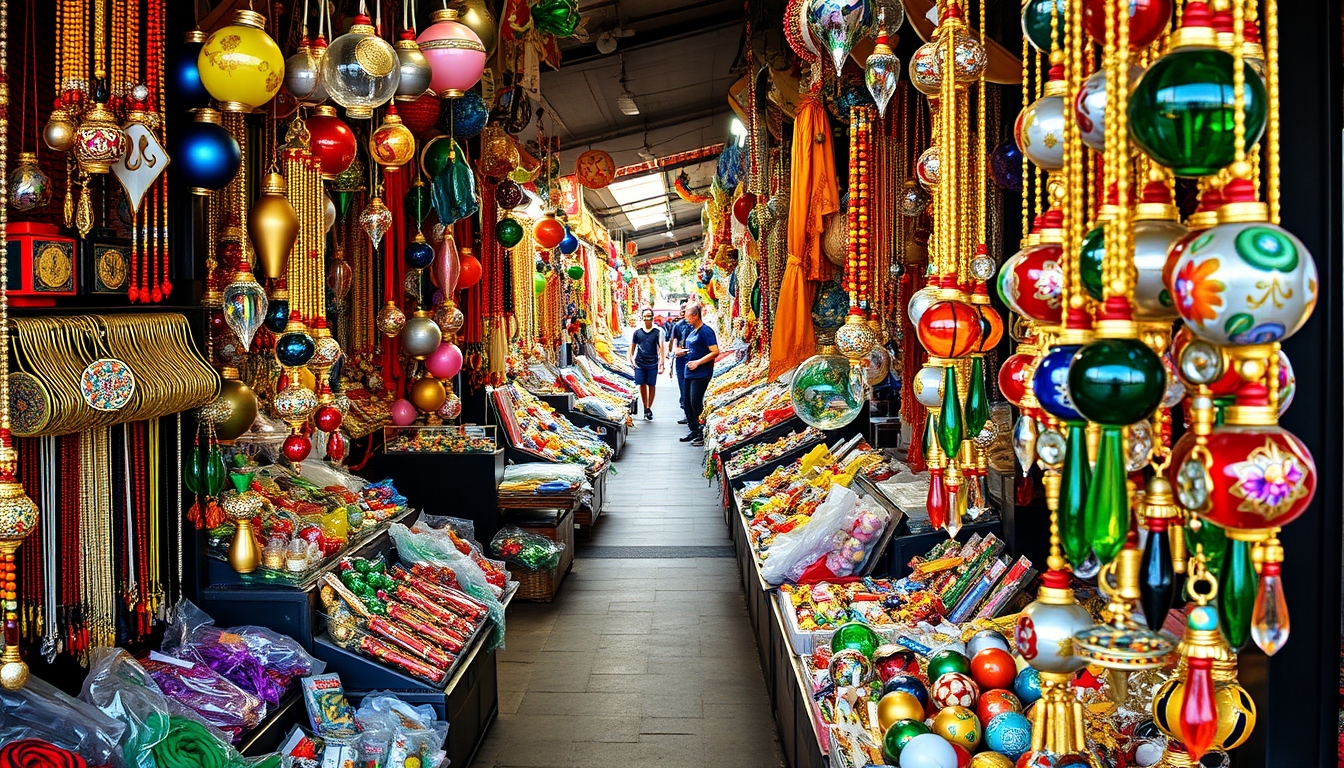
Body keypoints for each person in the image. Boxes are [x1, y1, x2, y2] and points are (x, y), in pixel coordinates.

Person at [678, 303, 719, 446]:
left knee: (696, 402)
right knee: (688, 402)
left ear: (695, 315)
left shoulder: (705, 331)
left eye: (687, 314)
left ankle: (702, 430)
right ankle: (694, 429)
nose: (685, 317)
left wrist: (698, 362)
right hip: (689, 372)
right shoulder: (693, 331)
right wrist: (682, 352)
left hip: (701, 373)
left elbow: (715, 352)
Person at [628, 308, 665, 420]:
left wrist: (662, 362)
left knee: (651, 385)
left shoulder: (657, 332)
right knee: (642, 384)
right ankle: (645, 407)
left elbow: (661, 347)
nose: (647, 318)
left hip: (653, 362)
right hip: (640, 362)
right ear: (642, 317)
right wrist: (630, 357)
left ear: (652, 317)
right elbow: (633, 346)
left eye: (649, 316)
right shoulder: (637, 332)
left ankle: (649, 407)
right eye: (645, 316)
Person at [667, 301, 693, 423]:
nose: (683, 312)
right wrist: (674, 352)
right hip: (682, 361)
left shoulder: (698, 326)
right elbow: (674, 342)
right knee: (683, 388)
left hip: (695, 361)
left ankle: (693, 416)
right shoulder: (678, 325)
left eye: (686, 310)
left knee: (693, 389)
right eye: (682, 310)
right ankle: (687, 414)